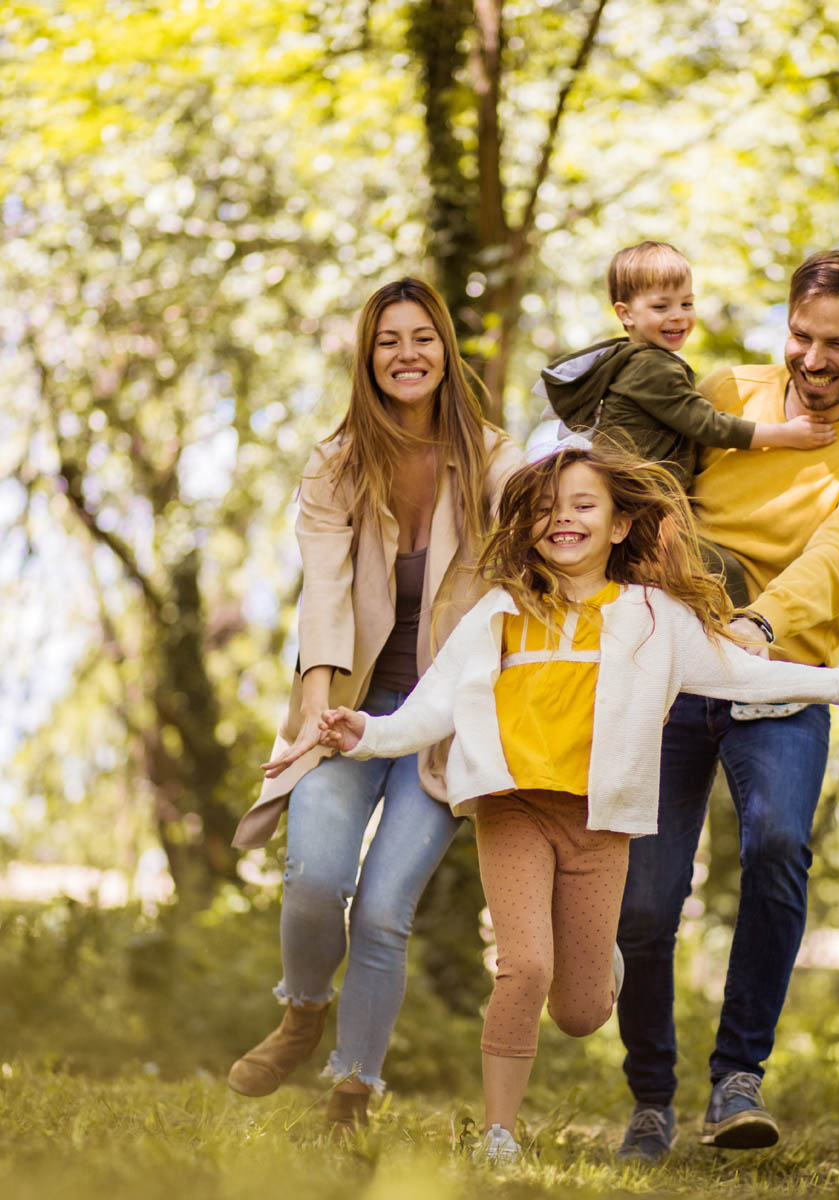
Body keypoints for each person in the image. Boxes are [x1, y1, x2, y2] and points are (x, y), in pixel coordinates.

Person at [316, 445, 839, 1164]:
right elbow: (432, 709)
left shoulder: (653, 616)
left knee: (578, 1012)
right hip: (512, 809)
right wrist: (367, 734)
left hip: (598, 822)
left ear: (618, 526)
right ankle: (499, 1135)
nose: (562, 519)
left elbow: (744, 676)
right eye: (547, 508)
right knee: (525, 969)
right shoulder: (500, 611)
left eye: (583, 505)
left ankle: (595, 960)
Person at [615, 250, 839, 1161]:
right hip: (673, 668)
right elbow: (658, 497)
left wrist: (753, 628)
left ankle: (737, 1078)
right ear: (784, 327)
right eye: (802, 336)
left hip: (785, 673)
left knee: (779, 844)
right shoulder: (724, 394)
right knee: (646, 899)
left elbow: (831, 564)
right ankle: (649, 1097)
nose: (816, 359)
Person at [226, 277, 522, 1136]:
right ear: (368, 356)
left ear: (446, 350)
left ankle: (352, 1091)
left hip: (440, 719)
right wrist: (315, 710)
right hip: (347, 703)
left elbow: (540, 539)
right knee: (316, 878)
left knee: (386, 910)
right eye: (388, 340)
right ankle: (303, 1012)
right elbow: (322, 589)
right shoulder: (337, 463)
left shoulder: (496, 460)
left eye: (422, 337)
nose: (406, 354)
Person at [537, 241, 836, 606]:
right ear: (625, 313)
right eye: (661, 306)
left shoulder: (637, 360)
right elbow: (708, 425)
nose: (678, 316)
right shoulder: (652, 367)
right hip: (638, 505)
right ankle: (741, 646)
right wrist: (786, 434)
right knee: (721, 572)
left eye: (687, 303)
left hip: (633, 503)